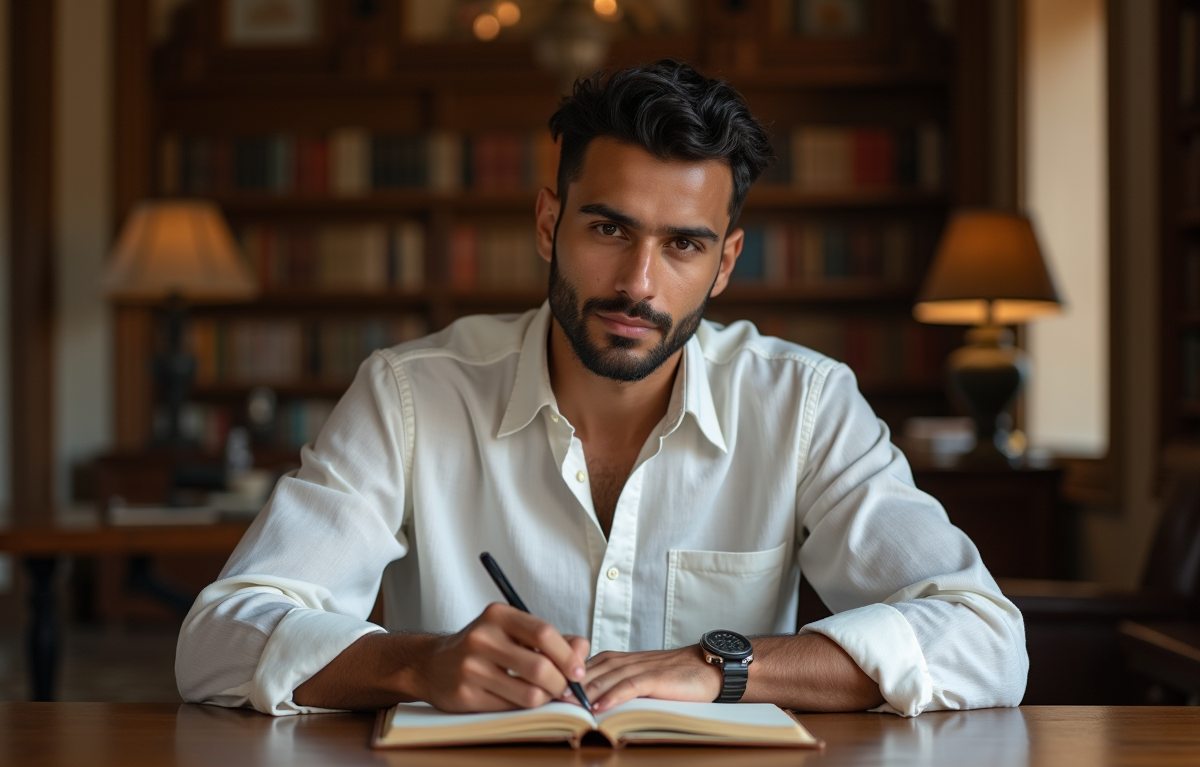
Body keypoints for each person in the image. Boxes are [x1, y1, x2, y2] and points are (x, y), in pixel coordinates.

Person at [176, 60, 1027, 717]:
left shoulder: (803, 404)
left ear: (726, 263)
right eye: (609, 228)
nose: (639, 284)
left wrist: (720, 667)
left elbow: (987, 640)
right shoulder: (409, 394)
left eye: (684, 246)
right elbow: (217, 639)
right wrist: (416, 663)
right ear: (550, 224)